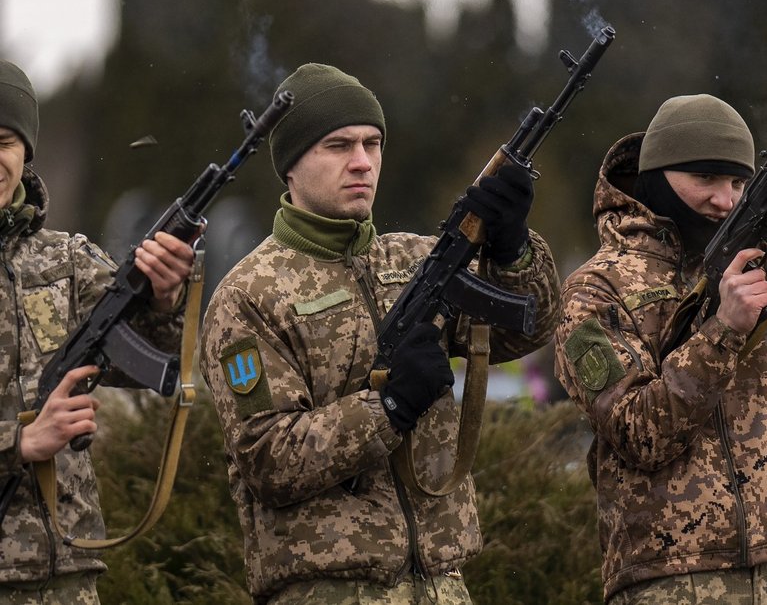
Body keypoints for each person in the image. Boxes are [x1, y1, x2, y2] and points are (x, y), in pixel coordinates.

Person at [200, 62, 561, 605]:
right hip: (328, 590)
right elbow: (265, 456)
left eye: (373, 143)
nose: (362, 162)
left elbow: (523, 330)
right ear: (291, 166)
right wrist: (387, 407)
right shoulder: (249, 295)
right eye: (338, 145)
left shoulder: (415, 258)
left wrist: (512, 249)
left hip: (443, 587)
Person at [554, 93, 767, 604]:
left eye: (738, 183)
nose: (725, 200)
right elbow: (639, 433)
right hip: (670, 581)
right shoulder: (595, 290)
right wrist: (724, 329)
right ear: (656, 177)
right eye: (706, 179)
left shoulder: (752, 272)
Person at [0, 60, 195, 605]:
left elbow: (153, 367)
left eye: (5, 141)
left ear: (25, 154)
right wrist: (20, 442)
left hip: (68, 574)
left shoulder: (71, 262)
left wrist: (164, 298)